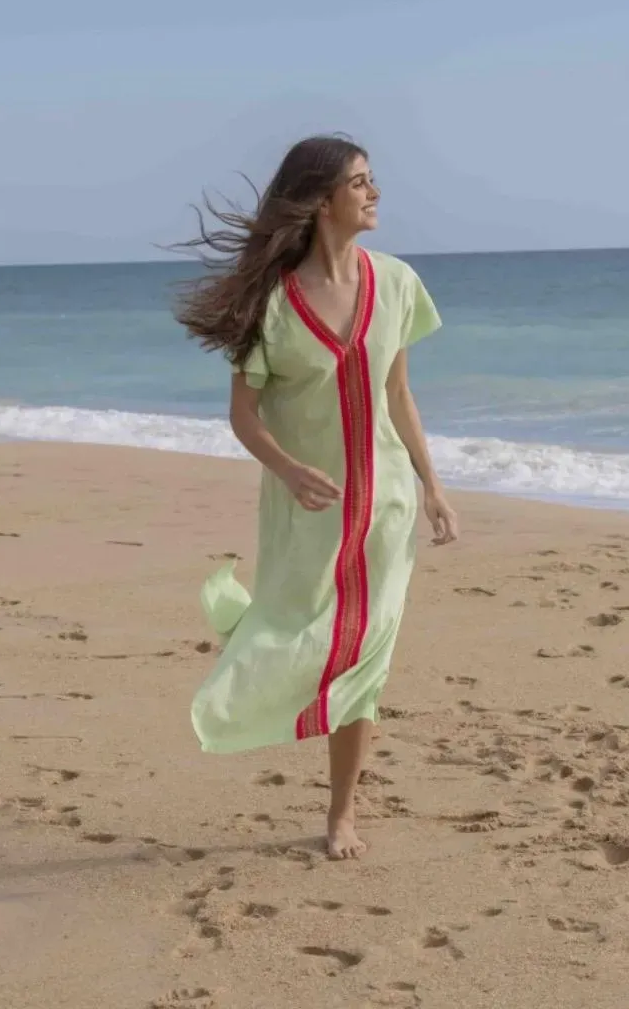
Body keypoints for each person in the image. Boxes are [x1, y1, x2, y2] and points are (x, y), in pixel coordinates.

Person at [175, 135, 458, 860]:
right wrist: (289, 467)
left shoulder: (395, 282)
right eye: (359, 183)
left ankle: (341, 814)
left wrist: (431, 486)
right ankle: (251, 647)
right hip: (308, 510)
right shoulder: (269, 303)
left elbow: (398, 395)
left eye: (371, 180)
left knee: (366, 653)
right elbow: (243, 414)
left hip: (386, 505)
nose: (374, 194)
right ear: (320, 199)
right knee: (300, 633)